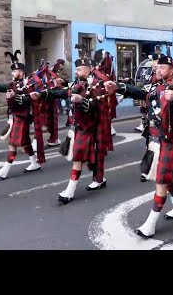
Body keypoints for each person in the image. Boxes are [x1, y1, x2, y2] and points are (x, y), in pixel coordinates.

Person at [104, 51, 173, 238]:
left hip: (171, 140)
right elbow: (141, 93)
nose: (159, 70)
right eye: (157, 67)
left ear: (171, 69)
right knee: (169, 179)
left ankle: (150, 223)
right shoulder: (155, 85)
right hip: (155, 139)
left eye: (163, 67)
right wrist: (118, 87)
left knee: (161, 181)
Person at [30, 56, 113, 204]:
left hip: (88, 128)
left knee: (78, 159)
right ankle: (99, 179)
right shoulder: (75, 84)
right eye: (76, 68)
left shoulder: (96, 85)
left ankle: (70, 191)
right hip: (76, 128)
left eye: (80, 69)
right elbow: (61, 93)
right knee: (89, 156)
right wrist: (42, 94)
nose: (77, 71)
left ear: (88, 70)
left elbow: (99, 106)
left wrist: (83, 101)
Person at [0, 51, 43, 178]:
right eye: (12, 71)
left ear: (21, 72)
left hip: (23, 117)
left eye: (15, 71)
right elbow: (0, 87)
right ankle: (34, 163)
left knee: (13, 143)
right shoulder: (12, 84)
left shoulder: (28, 85)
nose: (13, 73)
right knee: (25, 142)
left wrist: (16, 96)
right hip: (14, 117)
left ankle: (4, 170)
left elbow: (30, 99)